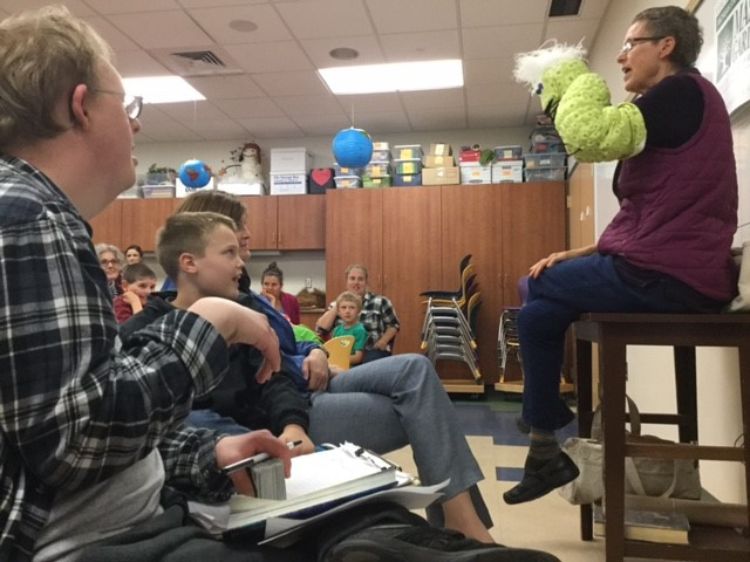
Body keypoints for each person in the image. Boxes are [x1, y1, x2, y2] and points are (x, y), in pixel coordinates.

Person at [1, 7, 557, 562]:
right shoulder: (31, 218)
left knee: (373, 513)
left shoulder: (44, 217)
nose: (137, 123)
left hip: (160, 498)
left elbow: (71, 430)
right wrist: (213, 324)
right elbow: (75, 445)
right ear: (80, 107)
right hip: (118, 536)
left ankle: (450, 534)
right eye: (127, 105)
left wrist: (207, 453)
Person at [120, 192, 497, 544]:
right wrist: (288, 421)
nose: (242, 258)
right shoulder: (161, 331)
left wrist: (314, 351)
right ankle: (457, 529)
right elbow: (189, 413)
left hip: (298, 393)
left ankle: (463, 522)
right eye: (234, 247)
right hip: (278, 415)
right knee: (423, 418)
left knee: (416, 375)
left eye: (242, 249)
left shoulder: (243, 301)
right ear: (193, 254)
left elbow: (282, 355)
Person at [505, 6, 738, 505]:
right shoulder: (676, 104)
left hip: (669, 275)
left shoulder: (678, 93)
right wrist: (580, 251)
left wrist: (575, 96)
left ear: (666, 46)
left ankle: (546, 427)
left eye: (631, 44)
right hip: (667, 265)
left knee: (535, 287)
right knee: (539, 314)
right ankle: (543, 447)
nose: (621, 55)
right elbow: (648, 213)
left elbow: (594, 138)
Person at [316, 264, 400, 363]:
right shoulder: (337, 306)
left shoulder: (381, 302)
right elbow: (321, 328)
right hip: (344, 350)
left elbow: (394, 325)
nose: (356, 282)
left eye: (360, 279)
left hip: (372, 350)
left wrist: (383, 341)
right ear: (347, 282)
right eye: (352, 278)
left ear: (366, 282)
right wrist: (339, 304)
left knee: (367, 367)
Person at [331, 290, 367, 366]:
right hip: (336, 366)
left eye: (352, 307)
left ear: (359, 311)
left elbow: (358, 357)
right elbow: (332, 351)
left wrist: (338, 360)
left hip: (352, 370)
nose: (347, 311)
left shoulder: (360, 330)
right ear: (338, 311)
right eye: (343, 307)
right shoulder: (336, 330)